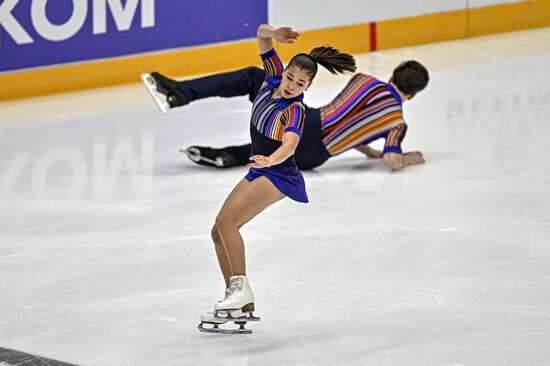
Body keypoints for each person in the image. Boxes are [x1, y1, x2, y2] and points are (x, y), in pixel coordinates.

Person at [189, 24, 356, 334]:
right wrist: (274, 33)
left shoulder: (295, 110)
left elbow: (290, 145)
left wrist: (270, 159)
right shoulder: (272, 78)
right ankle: (237, 300)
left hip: (278, 173)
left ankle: (241, 290)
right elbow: (261, 34)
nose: (292, 85)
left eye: (300, 83)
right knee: (218, 231)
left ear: (308, 86)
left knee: (227, 222)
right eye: (290, 77)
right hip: (263, 169)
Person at [142, 59, 429, 173]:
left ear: (392, 76)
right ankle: (227, 156)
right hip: (313, 157)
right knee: (272, 148)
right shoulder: (396, 123)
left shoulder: (364, 81)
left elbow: (347, 115)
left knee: (256, 78)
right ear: (413, 95)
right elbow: (391, 158)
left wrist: (365, 147)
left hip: (308, 122)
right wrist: (404, 158)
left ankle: (181, 92)